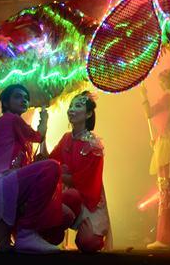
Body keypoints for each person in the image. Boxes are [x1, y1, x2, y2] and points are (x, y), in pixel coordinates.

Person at [0, 84, 69, 253]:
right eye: (17, 96)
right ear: (6, 103)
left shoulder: (7, 122)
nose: (24, 99)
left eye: (26, 97)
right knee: (51, 168)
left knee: (7, 250)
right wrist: (44, 118)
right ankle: (26, 233)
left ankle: (14, 236)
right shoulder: (11, 119)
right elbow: (39, 136)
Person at [43, 91, 112, 253]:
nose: (71, 110)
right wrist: (43, 132)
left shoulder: (94, 145)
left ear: (88, 114)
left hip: (89, 198)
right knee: (52, 236)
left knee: (89, 243)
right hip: (69, 195)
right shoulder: (66, 138)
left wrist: (59, 172)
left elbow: (84, 181)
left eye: (78, 106)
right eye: (71, 106)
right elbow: (49, 162)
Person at [141, 69, 170, 249]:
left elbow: (149, 113)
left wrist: (144, 96)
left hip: (167, 148)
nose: (160, 86)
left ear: (167, 83)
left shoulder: (168, 97)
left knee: (166, 191)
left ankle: (165, 238)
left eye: (162, 82)